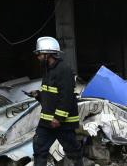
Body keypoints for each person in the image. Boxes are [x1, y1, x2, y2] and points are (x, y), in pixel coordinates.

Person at [28, 36, 82, 166]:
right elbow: (51, 95)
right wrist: (38, 95)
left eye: (40, 54)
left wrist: (58, 118)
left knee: (72, 150)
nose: (38, 57)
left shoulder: (63, 70)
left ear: (48, 54)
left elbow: (66, 96)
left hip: (62, 122)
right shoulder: (48, 70)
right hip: (47, 121)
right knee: (39, 148)